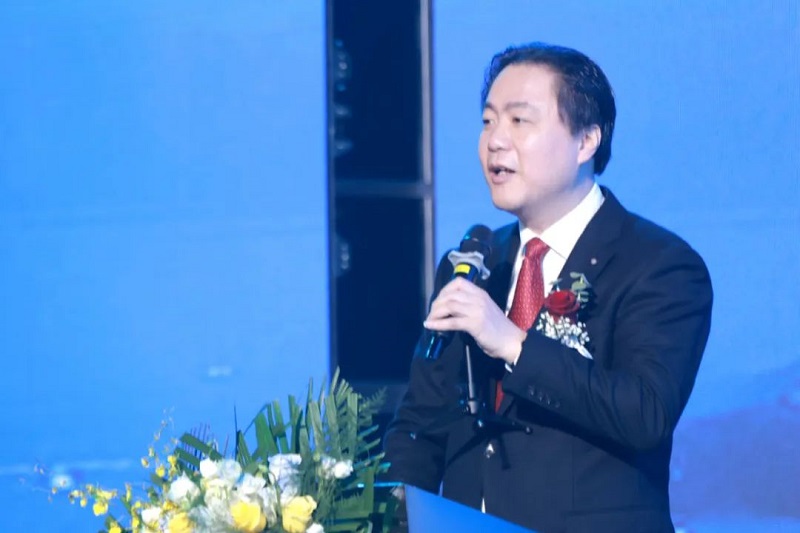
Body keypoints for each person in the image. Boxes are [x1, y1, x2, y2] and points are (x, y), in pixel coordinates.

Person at [383, 42, 713, 532]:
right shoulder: (474, 264)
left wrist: (514, 344)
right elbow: (421, 424)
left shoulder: (659, 265)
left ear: (586, 141)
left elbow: (644, 413)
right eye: (488, 121)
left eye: (519, 121)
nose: (495, 141)